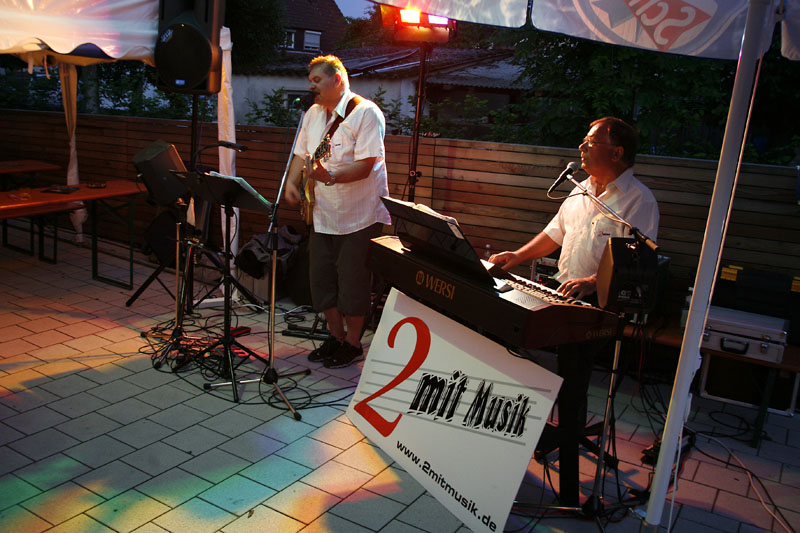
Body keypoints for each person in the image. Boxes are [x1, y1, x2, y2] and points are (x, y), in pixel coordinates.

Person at [489, 116, 659, 506]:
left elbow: (638, 262)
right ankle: (560, 427)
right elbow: (554, 234)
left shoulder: (638, 200)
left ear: (616, 152)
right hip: (562, 294)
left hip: (601, 306)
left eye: (590, 142)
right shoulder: (580, 190)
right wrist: (516, 256)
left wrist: (594, 282)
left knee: (574, 375)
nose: (581, 147)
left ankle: (568, 456)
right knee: (526, 348)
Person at [284, 55, 391, 369]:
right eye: (310, 81)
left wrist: (330, 176)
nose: (311, 86)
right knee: (321, 280)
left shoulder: (366, 113)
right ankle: (335, 336)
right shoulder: (313, 114)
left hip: (360, 216)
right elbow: (302, 154)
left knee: (353, 283)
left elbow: (366, 165)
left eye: (317, 80)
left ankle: (353, 344)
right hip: (323, 214)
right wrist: (292, 183)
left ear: (337, 79)